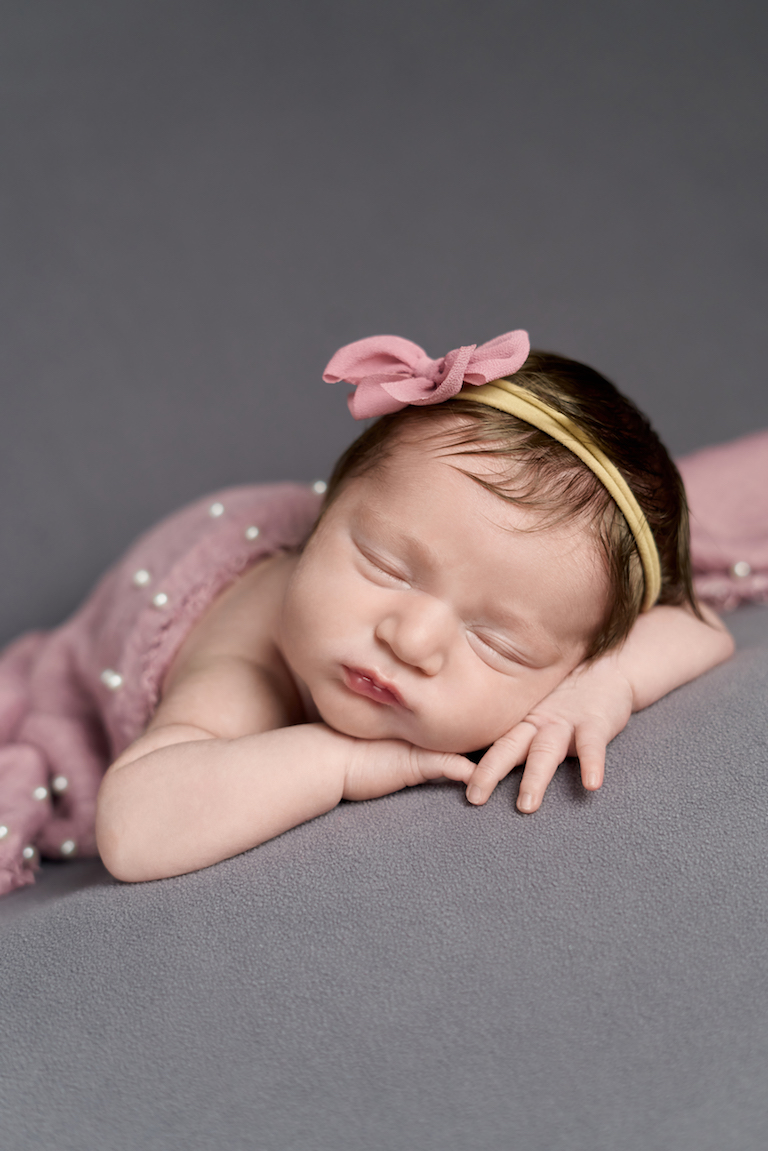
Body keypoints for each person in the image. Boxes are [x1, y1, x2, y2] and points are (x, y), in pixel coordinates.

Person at [0, 330, 739, 894]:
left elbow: (700, 625)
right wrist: (342, 760)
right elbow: (135, 827)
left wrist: (605, 686)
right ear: (324, 515)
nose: (411, 638)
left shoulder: (553, 612)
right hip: (143, 614)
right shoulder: (245, 663)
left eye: (499, 641)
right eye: (385, 565)